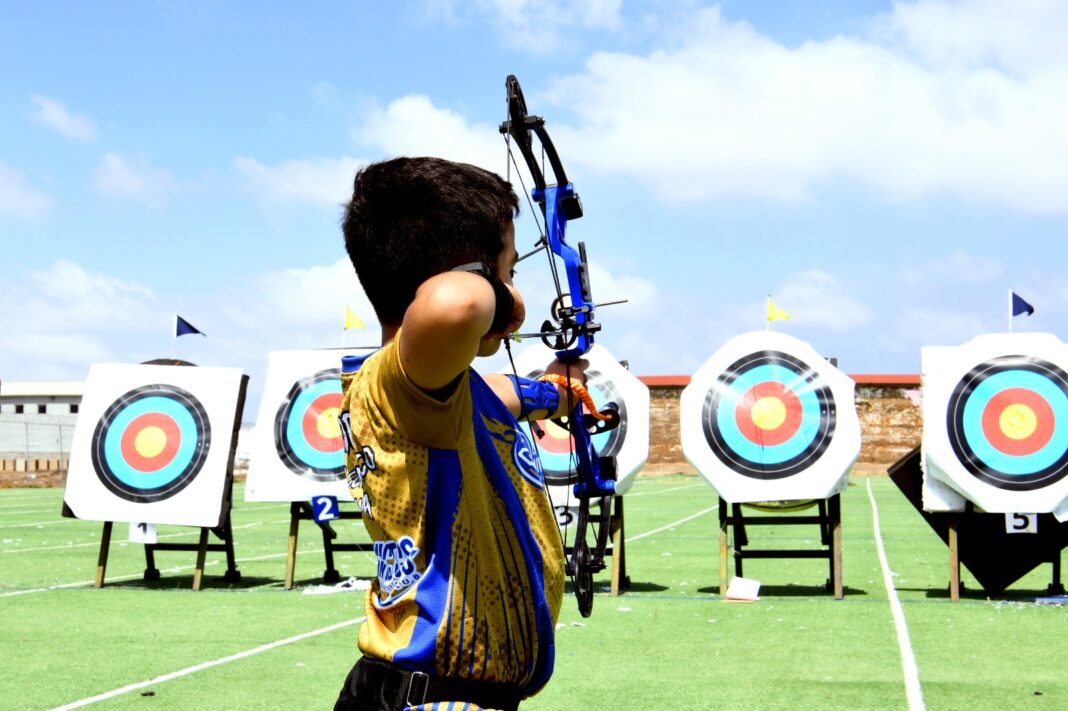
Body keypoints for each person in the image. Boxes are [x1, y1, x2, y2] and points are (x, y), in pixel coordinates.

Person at [334, 156, 578, 711]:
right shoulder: (397, 383)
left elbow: (512, 392)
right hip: (429, 698)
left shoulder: (454, 391)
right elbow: (458, 304)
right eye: (509, 269)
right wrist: (500, 294)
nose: (514, 290)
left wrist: (565, 386)